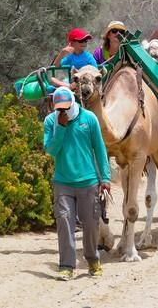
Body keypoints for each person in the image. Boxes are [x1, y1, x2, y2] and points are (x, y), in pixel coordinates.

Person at [43, 87, 111, 281]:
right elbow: (51, 150)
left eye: (66, 107)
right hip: (62, 182)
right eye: (59, 108)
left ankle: (92, 260)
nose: (62, 112)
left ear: (73, 102)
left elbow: (99, 149)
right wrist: (61, 128)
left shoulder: (89, 118)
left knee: (91, 224)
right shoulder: (50, 121)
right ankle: (66, 266)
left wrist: (105, 178)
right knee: (64, 222)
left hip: (88, 181)